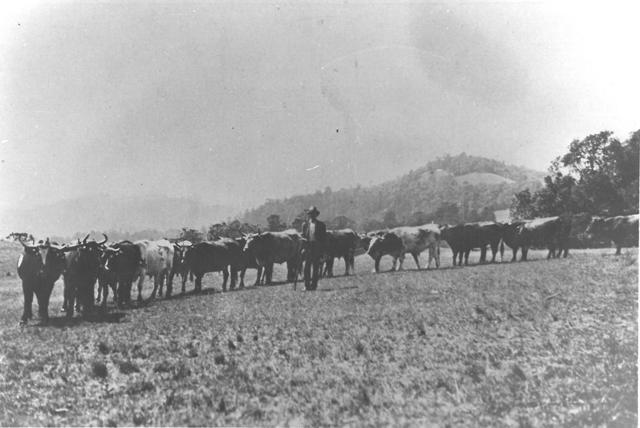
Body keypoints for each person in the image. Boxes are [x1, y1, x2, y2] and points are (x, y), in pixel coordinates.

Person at [301, 206, 327, 291]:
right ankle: (306, 285)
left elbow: (324, 239)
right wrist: (303, 245)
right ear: (309, 215)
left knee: (316, 267)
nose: (312, 216)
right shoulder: (305, 225)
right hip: (308, 247)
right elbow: (303, 236)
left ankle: (314, 285)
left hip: (317, 247)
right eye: (311, 214)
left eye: (314, 214)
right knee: (306, 267)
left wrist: (323, 251)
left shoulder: (321, 225)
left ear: (316, 215)